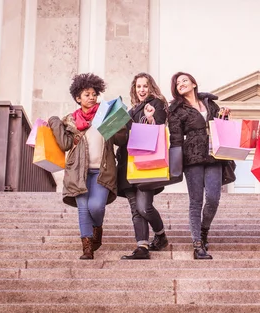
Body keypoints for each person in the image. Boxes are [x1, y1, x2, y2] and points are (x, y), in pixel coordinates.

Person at [48, 73, 127, 260]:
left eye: (94, 94)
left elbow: (121, 139)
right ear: (78, 98)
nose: (91, 97)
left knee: (96, 206)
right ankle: (87, 247)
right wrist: (53, 121)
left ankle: (97, 228)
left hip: (102, 170)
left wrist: (116, 123)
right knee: (83, 209)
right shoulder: (71, 120)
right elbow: (65, 144)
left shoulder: (105, 114)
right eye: (86, 94)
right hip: (77, 172)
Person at [168, 72, 231, 260]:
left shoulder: (210, 103)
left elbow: (220, 127)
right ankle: (197, 245)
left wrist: (224, 116)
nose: (181, 84)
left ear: (194, 83)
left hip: (214, 155)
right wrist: (175, 162)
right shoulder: (177, 109)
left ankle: (204, 230)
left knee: (213, 197)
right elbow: (175, 137)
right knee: (196, 202)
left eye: (184, 80)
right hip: (192, 158)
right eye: (177, 83)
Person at [116, 73, 170, 260]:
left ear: (151, 87)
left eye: (145, 86)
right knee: (135, 209)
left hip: (146, 163)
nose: (142, 90)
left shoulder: (156, 104)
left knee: (144, 207)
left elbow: (160, 128)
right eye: (138, 86)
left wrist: (149, 119)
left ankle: (160, 235)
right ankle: (142, 247)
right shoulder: (130, 111)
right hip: (127, 164)